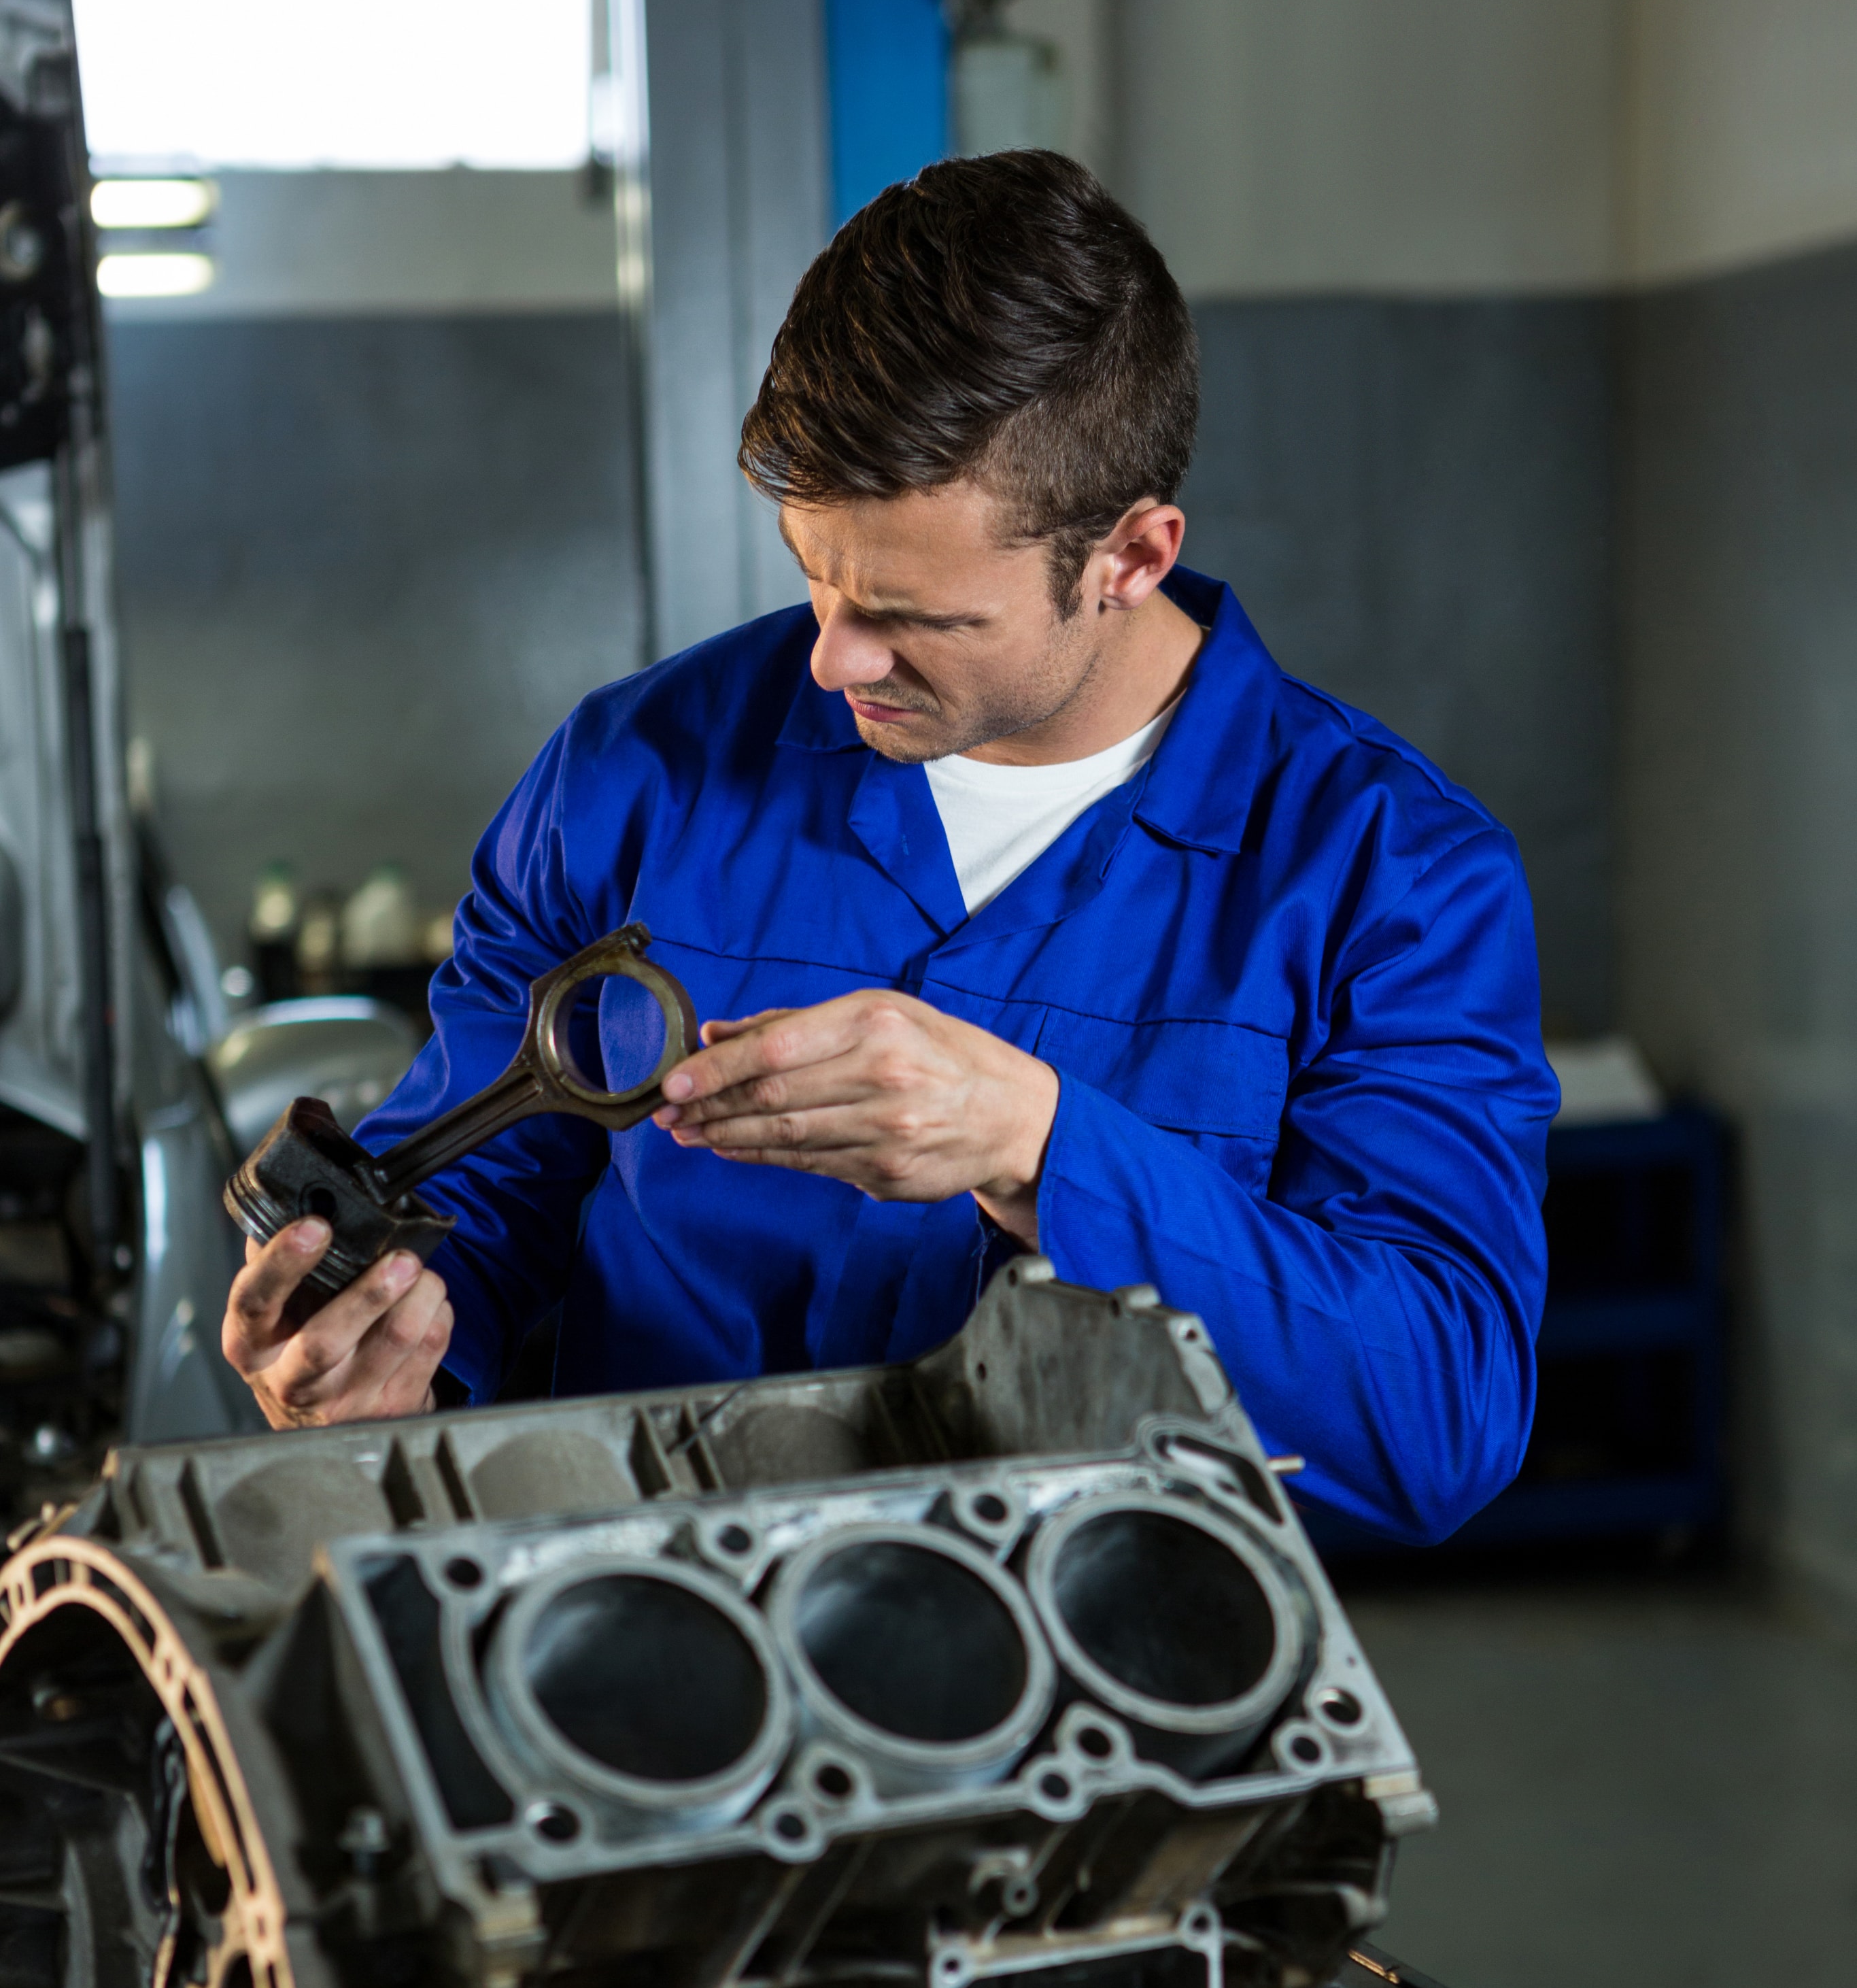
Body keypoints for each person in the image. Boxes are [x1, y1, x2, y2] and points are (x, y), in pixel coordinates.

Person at [221, 150, 1556, 1544]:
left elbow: (1438, 1412)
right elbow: (479, 1190)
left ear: (1132, 557)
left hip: (1096, 1697)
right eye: (813, 572)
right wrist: (376, 1351)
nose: (829, 657)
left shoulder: (1388, 877)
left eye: (914, 613)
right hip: (637, 1655)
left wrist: (1039, 1146)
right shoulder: (638, 775)